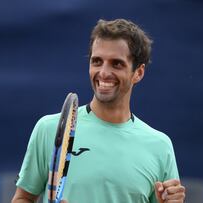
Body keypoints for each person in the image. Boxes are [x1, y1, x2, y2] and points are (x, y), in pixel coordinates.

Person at [12, 19, 185, 203]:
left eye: (116, 64)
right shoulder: (49, 129)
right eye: (97, 61)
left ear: (138, 73)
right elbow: (22, 198)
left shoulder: (160, 146)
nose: (103, 72)